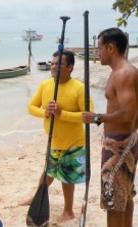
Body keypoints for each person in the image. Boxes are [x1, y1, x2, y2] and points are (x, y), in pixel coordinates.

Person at [19, 50, 93, 222]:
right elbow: (31, 107)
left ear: (70, 67)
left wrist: (62, 113)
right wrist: (45, 112)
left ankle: (68, 210)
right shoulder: (46, 86)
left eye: (58, 64)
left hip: (73, 143)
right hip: (53, 141)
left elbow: (88, 115)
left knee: (67, 177)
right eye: (52, 63)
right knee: (48, 172)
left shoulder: (79, 88)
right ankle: (37, 198)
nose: (53, 67)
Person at [83, 27, 138, 227]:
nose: (98, 52)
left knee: (114, 202)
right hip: (127, 141)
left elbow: (128, 113)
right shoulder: (123, 71)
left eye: (99, 48)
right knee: (124, 197)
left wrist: (97, 117)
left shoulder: (123, 74)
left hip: (119, 145)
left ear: (111, 47)